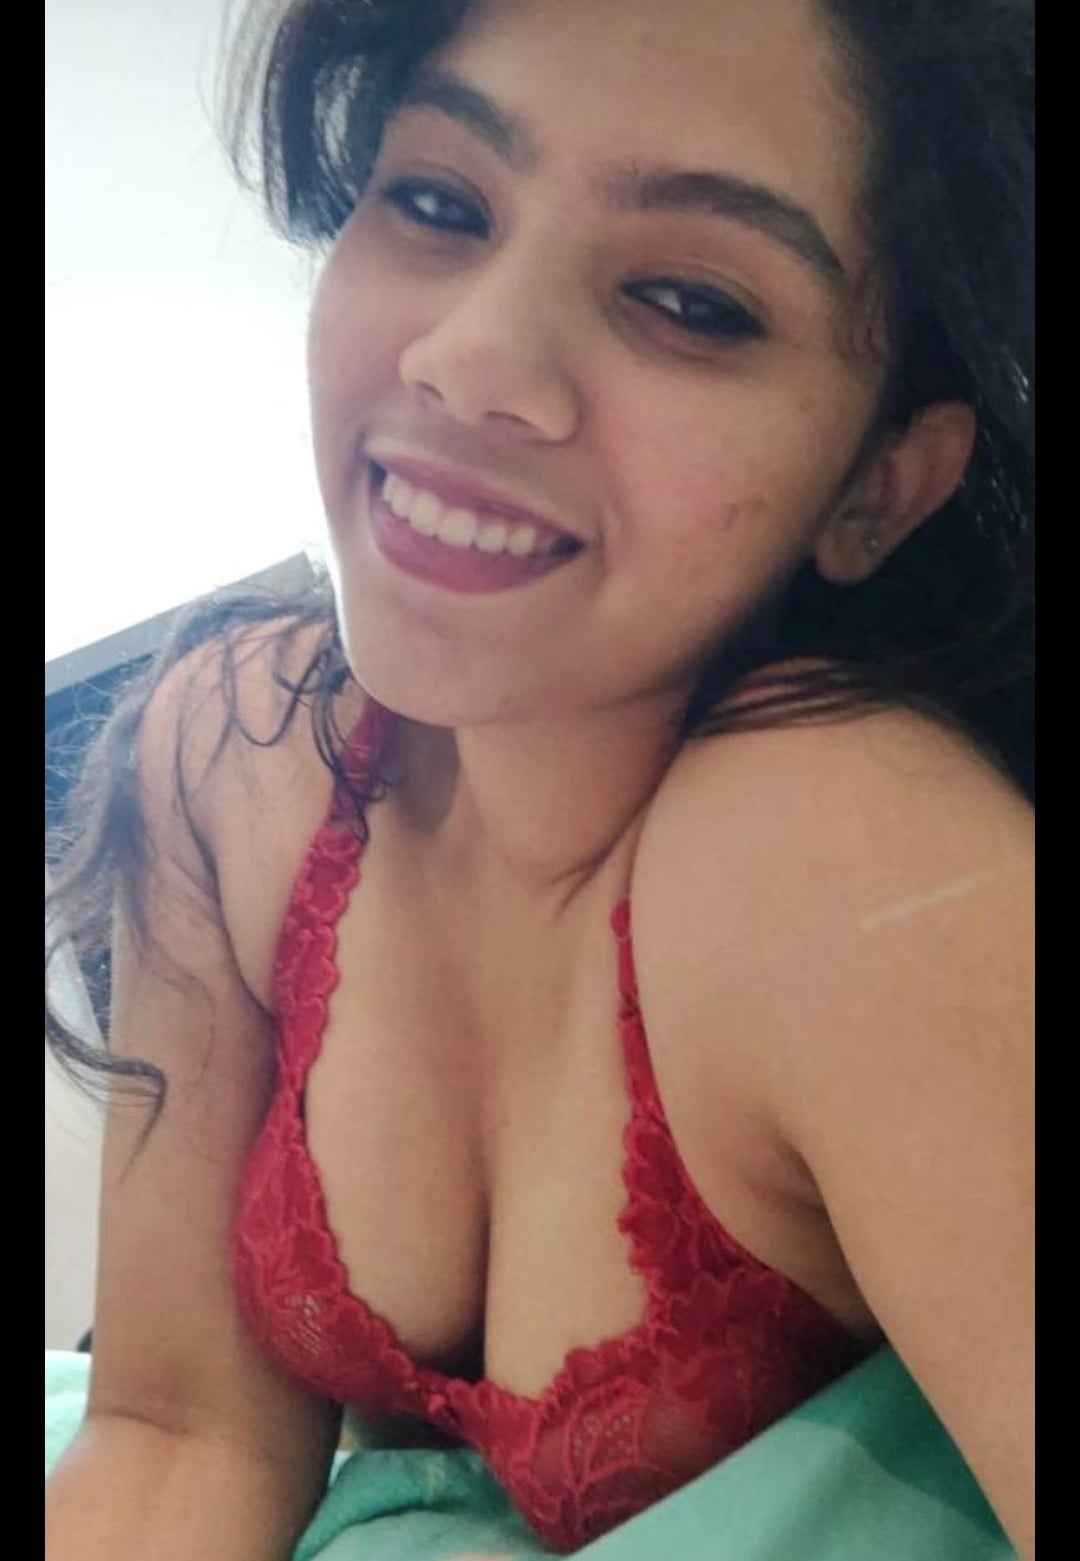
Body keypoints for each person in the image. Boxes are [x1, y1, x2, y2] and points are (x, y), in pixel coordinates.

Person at [44, 0, 1034, 1557]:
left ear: (879, 485)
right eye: (438, 200)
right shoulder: (230, 754)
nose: (470, 360)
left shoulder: (848, 859)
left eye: (690, 301)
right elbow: (183, 1437)